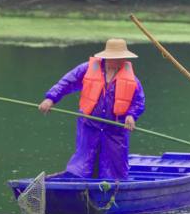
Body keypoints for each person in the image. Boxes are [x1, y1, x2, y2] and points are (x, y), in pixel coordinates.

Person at [38, 38, 145, 179]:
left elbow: (138, 101)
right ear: (107, 57)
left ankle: (113, 188)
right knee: (83, 162)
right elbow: (66, 82)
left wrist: (131, 115)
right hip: (89, 124)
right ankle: (78, 184)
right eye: (116, 58)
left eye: (121, 58)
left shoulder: (132, 79)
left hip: (115, 129)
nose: (119, 61)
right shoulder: (87, 69)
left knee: (115, 167)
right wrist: (50, 99)